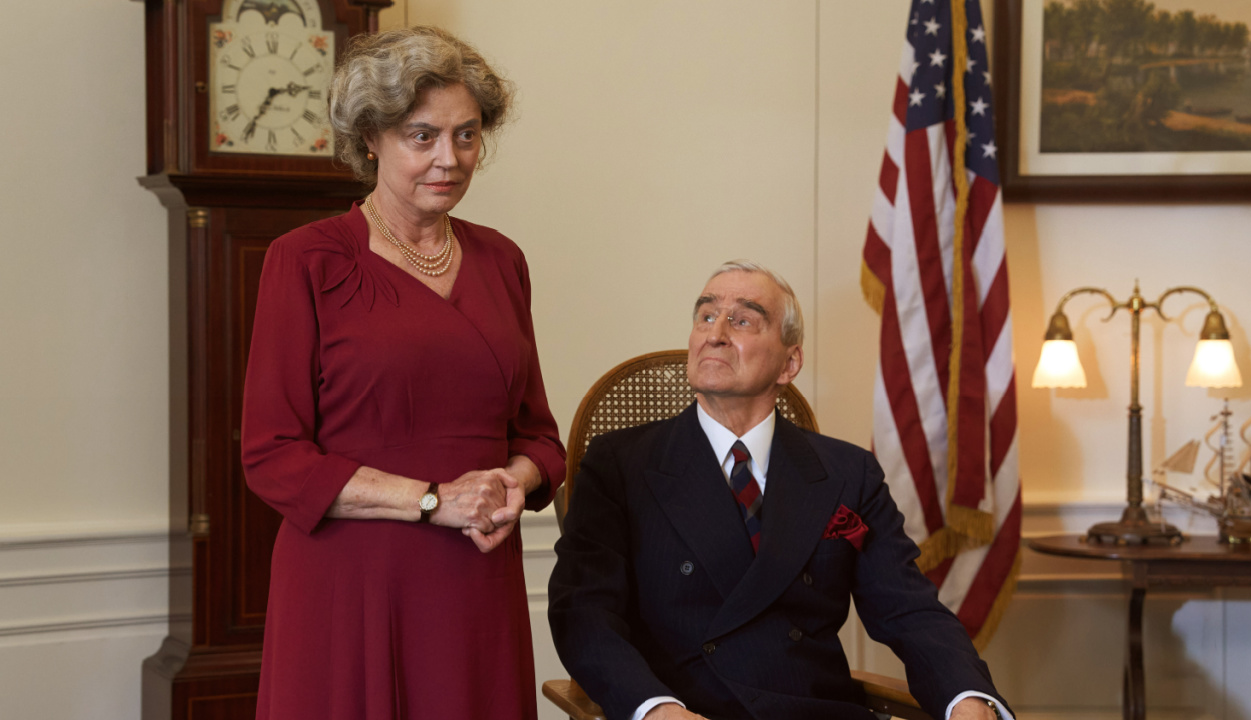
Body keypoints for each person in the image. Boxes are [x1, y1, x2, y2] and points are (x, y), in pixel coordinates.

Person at [241, 26, 565, 719]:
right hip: (348, 585)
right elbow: (272, 458)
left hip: (476, 582)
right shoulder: (304, 260)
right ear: (369, 139)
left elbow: (541, 439)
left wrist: (511, 483)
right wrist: (430, 500)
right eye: (423, 136)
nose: (449, 158)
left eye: (467, 135)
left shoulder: (502, 261)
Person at [548, 261, 1012, 720]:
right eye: (706, 316)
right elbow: (584, 614)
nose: (715, 333)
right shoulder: (619, 463)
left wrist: (967, 699)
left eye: (743, 320)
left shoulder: (848, 472)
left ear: (789, 363)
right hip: (691, 711)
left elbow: (908, 608)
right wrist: (654, 710)